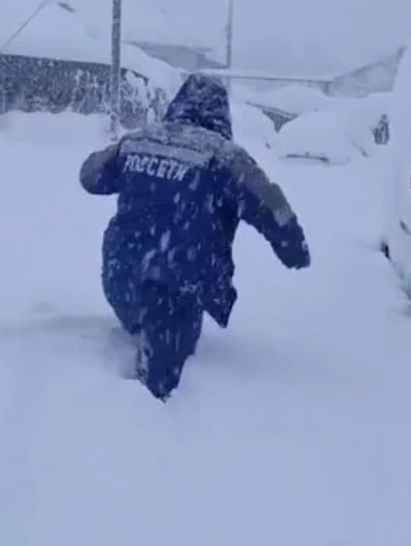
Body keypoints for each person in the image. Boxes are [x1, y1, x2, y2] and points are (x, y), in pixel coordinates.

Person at [78, 74, 311, 401]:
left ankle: (136, 354)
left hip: (120, 275)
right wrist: (294, 249)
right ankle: (153, 414)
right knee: (166, 377)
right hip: (180, 283)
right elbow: (272, 206)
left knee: (145, 320)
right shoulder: (226, 157)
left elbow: (90, 176)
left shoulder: (137, 141)